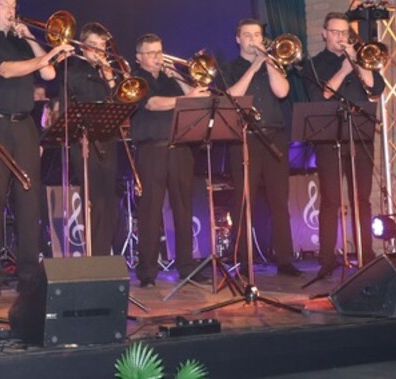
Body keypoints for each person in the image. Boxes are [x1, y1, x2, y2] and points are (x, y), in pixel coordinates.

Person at [0, 0, 72, 297]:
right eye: (5, 5)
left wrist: (30, 39)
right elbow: (5, 70)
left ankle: (29, 274)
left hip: (24, 124)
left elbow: (49, 73)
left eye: (13, 5)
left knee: (29, 200)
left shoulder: (20, 42)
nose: (11, 10)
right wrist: (46, 56)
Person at [307, 12, 385, 278]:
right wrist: (343, 69)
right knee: (331, 200)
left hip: (360, 137)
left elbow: (375, 89)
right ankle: (327, 259)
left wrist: (357, 62)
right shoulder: (314, 65)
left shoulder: (361, 59)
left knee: (361, 199)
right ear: (324, 33)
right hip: (329, 139)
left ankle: (366, 254)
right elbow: (322, 95)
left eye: (345, 32)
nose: (341, 37)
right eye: (335, 32)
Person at [222, 19, 301, 277]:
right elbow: (232, 97)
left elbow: (282, 91)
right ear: (238, 39)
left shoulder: (272, 63)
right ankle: (243, 259)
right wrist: (253, 67)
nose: (253, 40)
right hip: (244, 138)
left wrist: (266, 62)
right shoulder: (230, 68)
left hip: (274, 135)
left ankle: (284, 259)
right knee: (245, 200)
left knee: (279, 200)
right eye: (247, 35)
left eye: (257, 35)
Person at [132, 33, 209, 287]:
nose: (157, 57)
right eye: (151, 53)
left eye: (159, 51)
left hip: (180, 148)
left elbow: (196, 98)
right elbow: (153, 104)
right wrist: (186, 98)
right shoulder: (135, 78)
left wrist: (176, 74)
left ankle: (186, 266)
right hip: (152, 149)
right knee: (150, 211)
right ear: (139, 57)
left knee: (184, 208)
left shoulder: (170, 78)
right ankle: (147, 271)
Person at [57, 22, 122, 256]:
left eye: (102, 45)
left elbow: (120, 104)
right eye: (93, 45)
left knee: (110, 200)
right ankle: (94, 254)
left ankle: (104, 252)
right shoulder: (72, 72)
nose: (98, 50)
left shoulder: (108, 73)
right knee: (94, 199)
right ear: (83, 47)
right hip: (83, 141)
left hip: (108, 140)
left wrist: (110, 78)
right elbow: (67, 109)